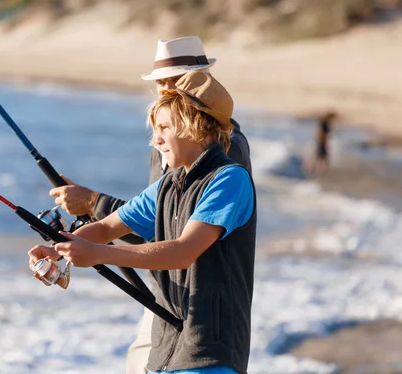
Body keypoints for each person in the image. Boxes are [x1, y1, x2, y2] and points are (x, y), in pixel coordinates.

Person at [29, 69, 257, 373]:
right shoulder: (168, 185)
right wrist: (58, 249)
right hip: (164, 353)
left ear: (194, 126)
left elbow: (182, 252)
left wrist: (99, 254)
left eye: (163, 128)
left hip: (210, 355)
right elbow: (108, 226)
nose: (155, 140)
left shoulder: (229, 180)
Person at [305, 110, 337, 175]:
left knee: (324, 128)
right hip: (322, 143)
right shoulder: (323, 157)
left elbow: (321, 135)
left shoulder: (320, 156)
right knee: (325, 128)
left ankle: (326, 117)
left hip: (321, 142)